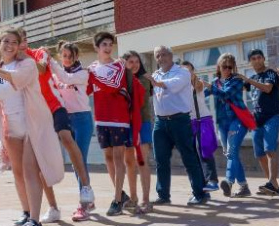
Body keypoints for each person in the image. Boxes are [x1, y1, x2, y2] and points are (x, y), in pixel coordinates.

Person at [0, 28, 65, 226]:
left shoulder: (27, 64)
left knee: (31, 171)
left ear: (20, 44)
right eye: (6, 41)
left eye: (14, 41)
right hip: (10, 128)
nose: (10, 45)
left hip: (33, 124)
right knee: (18, 172)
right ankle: (26, 212)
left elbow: (17, 80)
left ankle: (35, 221)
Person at [17, 30, 94, 223]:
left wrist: (27, 57)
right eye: (18, 40)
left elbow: (43, 69)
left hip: (64, 110)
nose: (21, 43)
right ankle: (53, 208)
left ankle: (85, 191)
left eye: (23, 39)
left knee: (72, 146)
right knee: (41, 161)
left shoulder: (40, 54)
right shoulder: (11, 61)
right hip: (37, 113)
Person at [147, 46, 207, 205]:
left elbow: (172, 85)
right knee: (160, 160)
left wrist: (154, 82)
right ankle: (163, 195)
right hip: (160, 122)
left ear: (171, 55)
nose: (161, 58)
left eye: (164, 54)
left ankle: (199, 194)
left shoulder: (182, 72)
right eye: (158, 55)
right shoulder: (155, 74)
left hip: (180, 121)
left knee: (189, 157)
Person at [86, 32, 136, 216]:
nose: (107, 48)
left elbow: (114, 86)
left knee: (118, 157)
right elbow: (87, 90)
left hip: (118, 118)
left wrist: (92, 77)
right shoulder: (92, 67)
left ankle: (116, 200)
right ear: (97, 48)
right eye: (104, 44)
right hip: (100, 117)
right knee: (107, 157)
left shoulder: (118, 65)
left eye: (110, 44)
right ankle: (121, 195)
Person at [50, 41, 96, 218]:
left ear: (76, 57)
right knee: (75, 162)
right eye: (64, 55)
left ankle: (84, 204)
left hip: (82, 118)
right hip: (65, 120)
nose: (67, 59)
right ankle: (88, 200)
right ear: (60, 55)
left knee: (80, 160)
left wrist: (51, 63)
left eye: (70, 56)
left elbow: (66, 79)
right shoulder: (57, 75)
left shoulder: (83, 73)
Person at [203, 53, 251, 198]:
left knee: (231, 152)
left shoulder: (236, 80)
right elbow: (200, 95)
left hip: (238, 121)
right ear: (219, 66)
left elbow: (225, 95)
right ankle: (244, 187)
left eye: (230, 67)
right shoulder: (215, 81)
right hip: (222, 123)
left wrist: (210, 87)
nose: (227, 70)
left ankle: (229, 182)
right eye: (225, 66)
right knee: (232, 153)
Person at [238, 49, 279, 196]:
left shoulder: (270, 74)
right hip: (256, 120)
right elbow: (237, 90)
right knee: (259, 154)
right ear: (250, 62)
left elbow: (268, 89)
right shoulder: (252, 77)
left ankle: (271, 183)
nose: (257, 60)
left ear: (263, 59)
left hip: (272, 116)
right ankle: (273, 185)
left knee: (270, 150)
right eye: (253, 58)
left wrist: (248, 80)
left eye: (259, 58)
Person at [180, 61, 220, 193]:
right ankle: (201, 185)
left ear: (193, 72)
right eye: (183, 71)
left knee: (204, 149)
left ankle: (212, 180)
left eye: (189, 71)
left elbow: (200, 86)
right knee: (192, 154)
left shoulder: (198, 84)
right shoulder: (179, 88)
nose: (187, 74)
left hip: (203, 119)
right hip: (189, 122)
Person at [121, 51, 153, 214]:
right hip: (126, 125)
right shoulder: (121, 81)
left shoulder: (144, 80)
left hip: (142, 123)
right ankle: (133, 198)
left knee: (141, 160)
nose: (134, 65)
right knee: (129, 162)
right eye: (130, 62)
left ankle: (146, 200)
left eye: (137, 62)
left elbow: (135, 100)